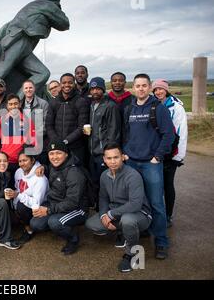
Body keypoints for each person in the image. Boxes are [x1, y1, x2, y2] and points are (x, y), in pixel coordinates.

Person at [122, 73, 175, 259]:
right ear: (133, 88)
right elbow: (125, 133)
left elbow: (169, 135)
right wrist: (125, 152)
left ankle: (161, 241)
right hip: (131, 162)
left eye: (144, 85)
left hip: (150, 164)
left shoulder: (158, 108)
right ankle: (142, 230)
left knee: (156, 203)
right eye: (138, 86)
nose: (141, 89)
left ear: (149, 87)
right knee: (136, 201)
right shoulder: (129, 109)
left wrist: (157, 156)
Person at [0, 0, 70, 95]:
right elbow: (64, 23)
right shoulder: (47, 5)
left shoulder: (31, 9)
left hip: (25, 46)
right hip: (19, 39)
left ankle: (17, 102)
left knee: (42, 73)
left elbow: (4, 28)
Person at [85, 143, 152, 273]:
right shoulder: (104, 175)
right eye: (109, 158)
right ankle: (122, 232)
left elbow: (135, 204)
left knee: (127, 220)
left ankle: (131, 253)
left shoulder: (132, 175)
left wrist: (111, 214)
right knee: (91, 224)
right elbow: (103, 198)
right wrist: (104, 214)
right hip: (117, 212)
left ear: (122, 157)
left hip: (140, 214)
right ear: (104, 159)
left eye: (116, 157)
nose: (113, 161)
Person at [30, 142, 89, 255]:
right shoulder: (54, 166)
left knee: (55, 222)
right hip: (57, 204)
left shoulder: (74, 173)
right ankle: (61, 226)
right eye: (51, 153)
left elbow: (72, 202)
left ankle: (73, 238)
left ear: (66, 154)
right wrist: (43, 167)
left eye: (58, 153)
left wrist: (48, 210)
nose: (54, 157)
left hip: (77, 209)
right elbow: (53, 171)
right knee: (35, 223)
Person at [152, 79, 187, 227]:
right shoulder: (153, 104)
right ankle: (155, 214)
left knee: (167, 184)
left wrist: (178, 156)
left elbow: (181, 132)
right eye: (155, 90)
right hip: (156, 151)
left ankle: (167, 216)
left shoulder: (176, 107)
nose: (158, 92)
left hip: (171, 152)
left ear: (166, 90)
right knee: (156, 185)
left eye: (161, 89)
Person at [83, 77, 121, 208]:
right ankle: (99, 205)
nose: (95, 91)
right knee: (95, 180)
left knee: (105, 181)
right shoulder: (92, 105)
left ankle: (106, 208)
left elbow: (114, 131)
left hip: (103, 152)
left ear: (103, 90)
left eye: (98, 89)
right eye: (92, 89)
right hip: (92, 151)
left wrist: (108, 152)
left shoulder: (110, 106)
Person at [0, 94, 36, 186]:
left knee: (20, 187)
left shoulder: (27, 120)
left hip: (21, 162)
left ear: (19, 104)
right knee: (5, 187)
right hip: (6, 161)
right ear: (7, 106)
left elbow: (33, 141)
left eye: (15, 103)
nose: (13, 106)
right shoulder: (1, 120)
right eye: (10, 104)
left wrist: (30, 158)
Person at [45, 73, 89, 165]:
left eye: (70, 82)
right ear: (60, 85)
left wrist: (66, 141)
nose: (67, 85)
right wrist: (56, 140)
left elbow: (82, 126)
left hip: (75, 147)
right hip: (57, 147)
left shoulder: (81, 101)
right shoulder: (54, 102)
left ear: (74, 84)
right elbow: (49, 125)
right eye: (64, 83)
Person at [13, 150, 48, 244]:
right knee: (13, 219)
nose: (22, 164)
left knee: (22, 207)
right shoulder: (18, 172)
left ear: (32, 160)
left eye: (25, 160)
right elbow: (17, 189)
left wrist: (18, 196)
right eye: (20, 161)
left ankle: (29, 230)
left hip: (40, 205)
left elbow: (37, 203)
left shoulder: (40, 178)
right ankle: (22, 219)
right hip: (24, 202)